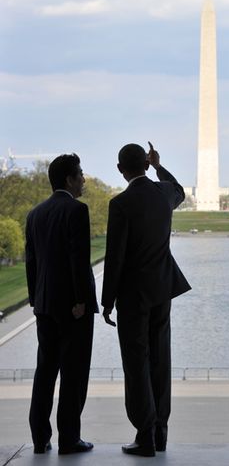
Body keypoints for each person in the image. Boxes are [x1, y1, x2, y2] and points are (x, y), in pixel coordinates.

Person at [102, 142, 191, 457]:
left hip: (132, 295)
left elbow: (115, 257)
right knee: (160, 360)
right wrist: (158, 166)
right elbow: (179, 189)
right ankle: (160, 432)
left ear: (120, 169)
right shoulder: (163, 194)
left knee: (136, 363)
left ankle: (145, 434)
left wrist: (107, 300)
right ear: (145, 163)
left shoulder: (121, 204)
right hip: (162, 290)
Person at [25, 153, 98, 455]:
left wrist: (35, 299)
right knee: (74, 373)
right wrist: (81, 300)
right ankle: (69, 438)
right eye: (80, 173)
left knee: (45, 371)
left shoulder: (35, 214)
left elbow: (32, 262)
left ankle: (40, 438)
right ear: (69, 179)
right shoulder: (76, 211)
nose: (83, 178)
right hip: (72, 307)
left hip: (44, 305)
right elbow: (78, 261)